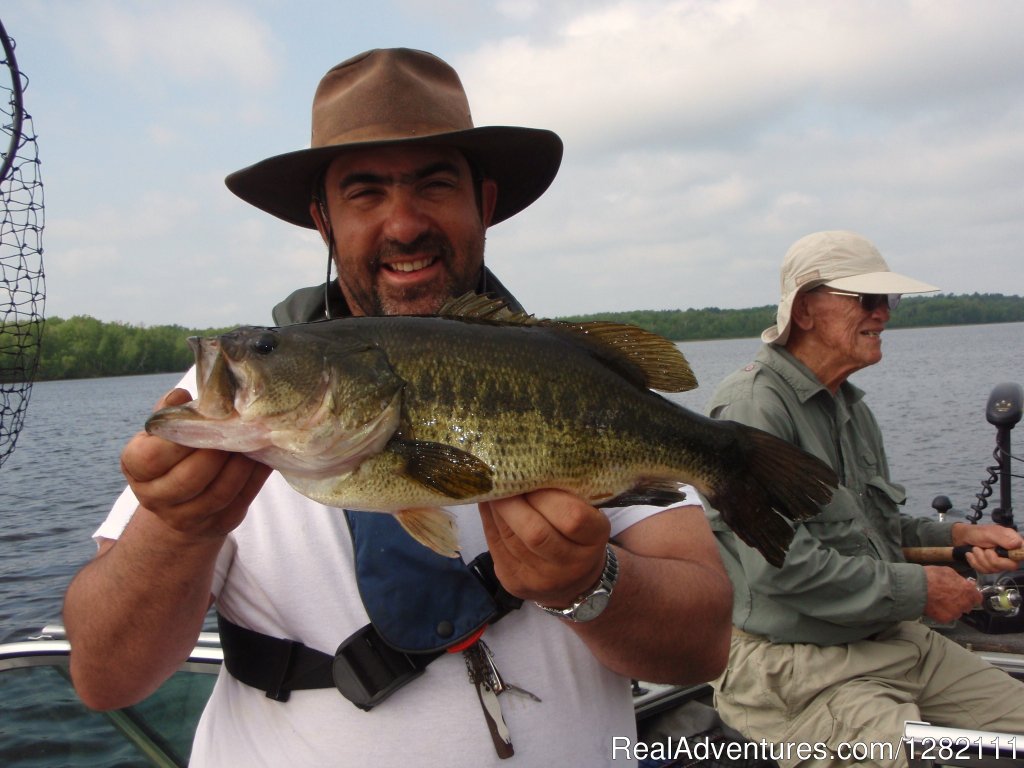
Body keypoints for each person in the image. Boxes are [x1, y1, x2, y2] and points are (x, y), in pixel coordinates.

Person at [62, 48, 732, 767]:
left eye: (434, 184)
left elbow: (705, 642)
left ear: (486, 203)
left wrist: (589, 586)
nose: (404, 223)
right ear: (323, 219)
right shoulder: (224, 411)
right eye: (365, 192)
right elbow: (105, 677)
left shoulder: (561, 378)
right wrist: (175, 530)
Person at [702, 230, 1024, 768]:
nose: (884, 315)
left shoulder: (850, 407)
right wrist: (921, 589)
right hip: (800, 668)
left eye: (889, 301)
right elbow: (782, 568)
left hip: (893, 641)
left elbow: (878, 529)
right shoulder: (752, 406)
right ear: (805, 310)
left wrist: (961, 537)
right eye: (868, 300)